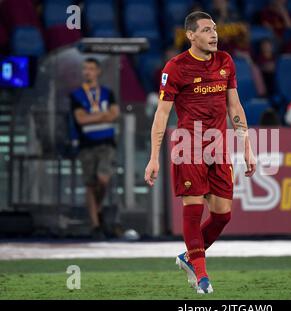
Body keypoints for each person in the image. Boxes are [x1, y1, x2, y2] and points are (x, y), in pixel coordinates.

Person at [144, 12, 256, 294]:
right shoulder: (176, 67)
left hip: (218, 147)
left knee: (222, 216)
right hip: (188, 145)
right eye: (206, 30)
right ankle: (202, 277)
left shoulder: (225, 62)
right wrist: (154, 156)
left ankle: (189, 257)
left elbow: (235, 107)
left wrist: (247, 146)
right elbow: (162, 114)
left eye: (215, 29)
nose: (214, 34)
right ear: (191, 36)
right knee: (193, 212)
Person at [71, 58, 120, 240]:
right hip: (86, 144)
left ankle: (97, 210)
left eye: (91, 69)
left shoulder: (107, 93)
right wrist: (103, 116)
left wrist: (92, 116)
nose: (88, 72)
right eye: (85, 69)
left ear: (98, 71)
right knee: (90, 184)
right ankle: (95, 224)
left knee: (103, 179)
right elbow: (80, 119)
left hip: (106, 142)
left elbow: (114, 115)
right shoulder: (76, 95)